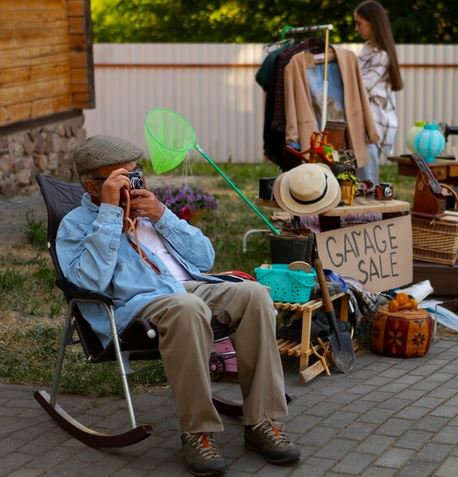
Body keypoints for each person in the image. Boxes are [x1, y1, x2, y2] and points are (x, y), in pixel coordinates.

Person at [56, 136, 300, 477]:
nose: (133, 186)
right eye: (121, 180)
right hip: (139, 305)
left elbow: (205, 258)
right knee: (187, 308)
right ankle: (198, 433)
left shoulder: (148, 213)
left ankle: (262, 423)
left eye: (136, 175)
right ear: (92, 187)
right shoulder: (76, 225)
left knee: (255, 295)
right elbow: (89, 283)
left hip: (188, 288)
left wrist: (162, 215)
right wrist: (110, 215)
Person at [354, 0, 403, 187]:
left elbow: (361, 85)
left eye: (359, 23)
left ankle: (370, 212)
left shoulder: (382, 55)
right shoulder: (367, 49)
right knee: (358, 172)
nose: (356, 28)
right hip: (363, 118)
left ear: (373, 22)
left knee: (367, 179)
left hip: (374, 121)